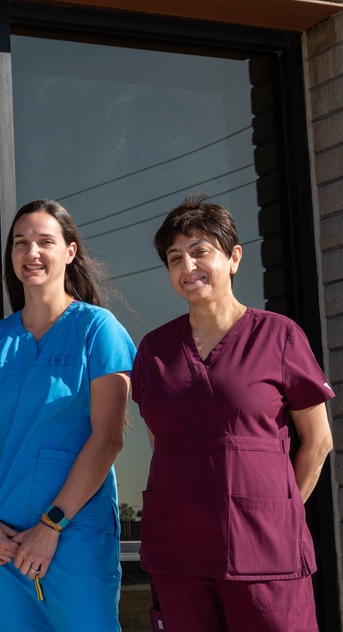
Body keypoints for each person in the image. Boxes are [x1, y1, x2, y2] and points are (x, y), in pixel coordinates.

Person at [131, 195, 334, 631]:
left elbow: (318, 441)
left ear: (234, 257)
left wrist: (279, 515)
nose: (188, 267)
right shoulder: (154, 350)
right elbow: (160, 440)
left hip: (266, 551)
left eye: (200, 251)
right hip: (180, 548)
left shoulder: (278, 335)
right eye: (174, 258)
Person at [0, 199, 134, 631]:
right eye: (20, 242)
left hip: (74, 532)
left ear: (70, 251)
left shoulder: (97, 329)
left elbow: (108, 437)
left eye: (45, 241)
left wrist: (52, 524)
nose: (31, 252)